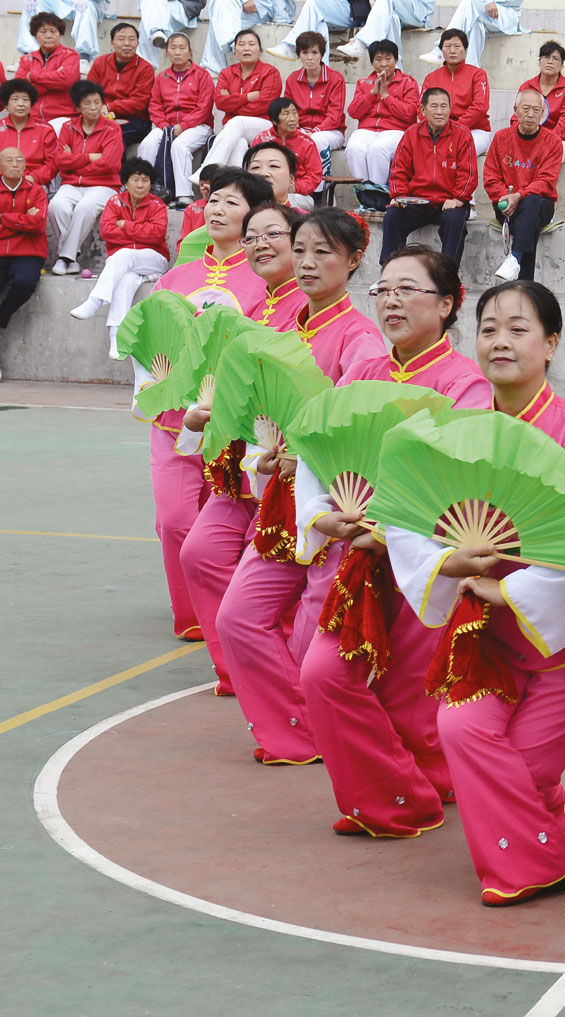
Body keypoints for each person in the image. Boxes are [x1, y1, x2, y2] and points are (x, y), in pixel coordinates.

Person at [387, 279, 565, 907]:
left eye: (519, 330)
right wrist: (445, 561)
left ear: (550, 344)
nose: (500, 341)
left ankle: (535, 834)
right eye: (489, 329)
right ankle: (540, 847)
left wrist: (513, 590)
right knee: (458, 726)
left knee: (522, 766)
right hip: (491, 640)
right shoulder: (456, 434)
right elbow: (407, 515)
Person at [299, 244, 489, 840]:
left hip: (427, 559)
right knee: (324, 674)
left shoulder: (466, 385)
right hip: (359, 558)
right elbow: (319, 450)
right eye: (383, 290)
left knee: (408, 690)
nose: (391, 301)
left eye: (408, 289)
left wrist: (395, 532)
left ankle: (417, 787)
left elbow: (461, 481)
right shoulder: (362, 374)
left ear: (447, 304)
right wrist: (319, 515)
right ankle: (398, 796)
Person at [212, 199, 337, 768]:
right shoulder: (278, 326)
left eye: (320, 251)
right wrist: (258, 457)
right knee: (237, 616)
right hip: (281, 501)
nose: (306, 262)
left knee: (317, 643)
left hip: (335, 508)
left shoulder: (357, 340)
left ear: (352, 261)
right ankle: (298, 731)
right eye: (301, 250)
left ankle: (328, 730)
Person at [163, 171, 281, 694]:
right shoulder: (179, 275)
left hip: (241, 433)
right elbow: (151, 343)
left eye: (231, 202)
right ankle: (205, 627)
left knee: (232, 540)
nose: (216, 209)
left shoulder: (268, 286)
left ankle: (243, 649)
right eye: (212, 199)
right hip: (178, 419)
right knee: (176, 524)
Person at [70, 158, 168, 353]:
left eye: (145, 180)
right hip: (123, 263)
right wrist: (140, 230)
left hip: (153, 258)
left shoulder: (157, 205)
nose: (140, 185)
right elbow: (107, 231)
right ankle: (117, 337)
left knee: (123, 255)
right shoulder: (115, 202)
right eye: (135, 180)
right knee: (125, 281)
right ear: (126, 182)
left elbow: (156, 233)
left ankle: (95, 301)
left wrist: (125, 225)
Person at [381, 87, 476, 263]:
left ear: (450, 109)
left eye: (444, 106)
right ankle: (389, 268)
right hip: (418, 201)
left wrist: (458, 198)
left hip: (449, 202)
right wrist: (399, 196)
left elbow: (468, 173)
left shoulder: (462, 134)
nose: (439, 111)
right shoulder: (411, 134)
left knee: (455, 220)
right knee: (393, 215)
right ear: (423, 110)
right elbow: (398, 169)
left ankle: (448, 272)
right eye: (434, 106)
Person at [47, 81, 123, 276]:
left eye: (97, 102)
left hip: (104, 184)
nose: (93, 107)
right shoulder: (68, 127)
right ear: (78, 107)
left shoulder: (112, 129)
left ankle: (64, 258)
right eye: (87, 103)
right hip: (72, 183)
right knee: (56, 207)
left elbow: (109, 163)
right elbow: (60, 160)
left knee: (84, 208)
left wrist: (74, 161)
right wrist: (89, 157)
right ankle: (72, 257)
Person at [483, 88, 560, 282]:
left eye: (536, 110)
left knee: (531, 203)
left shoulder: (553, 142)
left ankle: (515, 257)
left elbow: (546, 181)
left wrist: (518, 196)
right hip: (505, 204)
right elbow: (491, 177)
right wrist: (505, 197)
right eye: (526, 109)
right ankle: (525, 284)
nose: (530, 114)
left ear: (543, 113)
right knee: (529, 219)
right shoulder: (501, 138)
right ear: (515, 110)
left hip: (541, 204)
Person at [135, 34, 211, 204]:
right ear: (167, 52)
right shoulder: (161, 77)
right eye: (173, 48)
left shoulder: (202, 75)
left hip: (198, 126)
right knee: (147, 144)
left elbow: (204, 108)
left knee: (180, 145)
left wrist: (183, 126)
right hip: (166, 126)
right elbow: (154, 106)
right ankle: (143, 190)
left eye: (182, 48)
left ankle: (184, 195)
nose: (177, 52)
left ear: (190, 51)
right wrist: (164, 126)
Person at [341, 40, 416, 211]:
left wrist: (386, 96)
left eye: (388, 59)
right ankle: (364, 199)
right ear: (372, 62)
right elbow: (353, 112)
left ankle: (379, 198)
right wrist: (372, 93)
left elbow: (410, 114)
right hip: (366, 130)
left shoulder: (407, 82)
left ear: (396, 60)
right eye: (378, 59)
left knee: (377, 150)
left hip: (395, 130)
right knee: (354, 149)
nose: (383, 64)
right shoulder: (364, 83)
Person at [197, 0, 294, 74]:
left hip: (259, 9)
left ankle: (213, 68)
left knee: (218, 19)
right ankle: (232, 42)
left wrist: (282, 22)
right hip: (231, 4)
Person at [199, 29, 283, 170]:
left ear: (260, 50)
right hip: (233, 128)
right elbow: (220, 102)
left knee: (237, 121)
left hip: (263, 126)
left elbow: (264, 105)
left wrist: (232, 104)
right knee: (239, 144)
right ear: (235, 51)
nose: (246, 48)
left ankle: (207, 169)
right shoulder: (226, 73)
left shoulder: (271, 73)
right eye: (241, 44)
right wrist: (246, 97)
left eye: (251, 44)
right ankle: (237, 180)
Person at [280, 32, 346, 170]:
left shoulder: (336, 79)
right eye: (305, 52)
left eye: (314, 52)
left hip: (331, 131)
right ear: (299, 55)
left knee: (317, 140)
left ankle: (320, 183)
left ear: (321, 55)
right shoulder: (292, 79)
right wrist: (298, 130)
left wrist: (315, 131)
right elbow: (288, 113)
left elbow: (335, 116)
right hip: (300, 129)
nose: (309, 57)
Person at [0, 149, 49, 335]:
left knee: (25, 283)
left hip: (28, 252)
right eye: (9, 160)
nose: (15, 164)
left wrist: (3, 218)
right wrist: (23, 221)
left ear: (25, 165)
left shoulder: (37, 192)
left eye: (19, 160)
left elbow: (37, 223)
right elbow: (30, 223)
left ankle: (2, 316)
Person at [423, 29, 494, 156]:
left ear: (465, 49)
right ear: (441, 50)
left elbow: (480, 106)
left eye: (457, 46)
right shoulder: (431, 78)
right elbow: (422, 106)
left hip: (475, 130)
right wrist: (435, 127)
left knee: (457, 150)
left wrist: (455, 126)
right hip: (438, 130)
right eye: (447, 46)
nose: (452, 51)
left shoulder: (477, 75)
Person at [88, 22, 156, 149]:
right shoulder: (100, 63)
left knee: (115, 133)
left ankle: (115, 163)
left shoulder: (145, 69)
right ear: (112, 43)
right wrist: (98, 108)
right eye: (121, 39)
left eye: (131, 39)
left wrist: (110, 107)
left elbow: (139, 102)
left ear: (137, 43)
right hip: (102, 115)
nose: (127, 43)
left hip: (135, 120)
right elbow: (88, 92)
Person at [19, 12, 83, 126]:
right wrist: (52, 80)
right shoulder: (26, 59)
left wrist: (33, 76)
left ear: (60, 34)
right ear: (35, 34)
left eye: (53, 31)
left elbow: (66, 80)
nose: (48, 36)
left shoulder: (71, 55)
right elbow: (20, 88)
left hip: (63, 116)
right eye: (43, 32)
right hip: (32, 117)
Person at [250, 99, 323, 199]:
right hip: (266, 192)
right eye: (286, 114)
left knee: (285, 203)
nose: (293, 119)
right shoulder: (261, 139)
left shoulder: (307, 142)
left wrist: (295, 187)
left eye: (295, 113)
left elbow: (315, 175)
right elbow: (253, 168)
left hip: (297, 194)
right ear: (274, 121)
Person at [522, 40, 565, 161]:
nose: (550, 61)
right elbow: (517, 117)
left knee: (545, 156)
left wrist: (544, 141)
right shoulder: (527, 86)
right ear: (539, 62)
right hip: (528, 138)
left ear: (561, 65)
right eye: (546, 57)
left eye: (555, 58)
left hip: (559, 141)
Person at [0, 82, 59, 189]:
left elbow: (53, 163)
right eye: (15, 99)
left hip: (34, 183)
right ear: (6, 105)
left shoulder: (45, 129)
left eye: (25, 100)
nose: (20, 104)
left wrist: (33, 177)